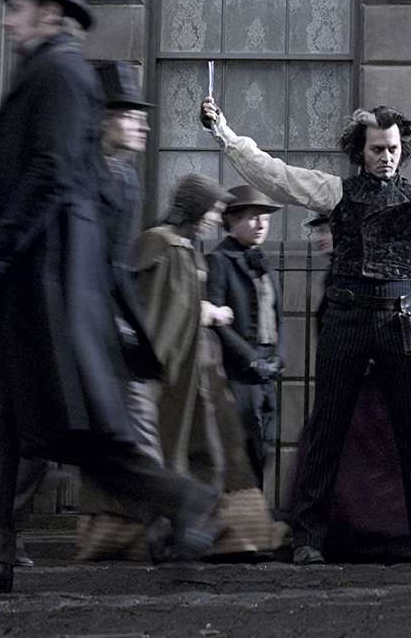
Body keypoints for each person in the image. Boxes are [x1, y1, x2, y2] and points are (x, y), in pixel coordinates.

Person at [0, 0, 219, 594]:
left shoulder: (60, 74)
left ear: (50, 13)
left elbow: (49, 175)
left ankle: (181, 499)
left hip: (40, 282)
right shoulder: (52, 72)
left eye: (17, 8)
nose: (7, 19)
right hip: (28, 281)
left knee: (73, 434)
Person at [200, 97, 411, 568]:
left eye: (393, 148)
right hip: (346, 319)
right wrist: (225, 134)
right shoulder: (334, 191)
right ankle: (308, 538)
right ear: (360, 151)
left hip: (398, 322)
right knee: (328, 428)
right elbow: (276, 175)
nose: (386, 157)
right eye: (377, 149)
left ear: (402, 149)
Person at [138, 176, 274, 558]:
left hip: (198, 369)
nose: (216, 218)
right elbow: (158, 308)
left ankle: (211, 533)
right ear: (194, 208)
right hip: (172, 370)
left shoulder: (185, 247)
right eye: (213, 210)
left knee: (212, 450)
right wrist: (208, 313)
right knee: (172, 451)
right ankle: (170, 534)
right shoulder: (160, 243)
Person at [74, 59, 167, 560]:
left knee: (137, 416)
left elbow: (119, 265)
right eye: (131, 115)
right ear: (104, 119)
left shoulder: (128, 180)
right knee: (50, 437)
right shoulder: (79, 172)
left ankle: (161, 523)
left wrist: (130, 325)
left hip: (111, 320)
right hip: (75, 316)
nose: (142, 125)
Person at [205, 185, 285, 490]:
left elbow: (277, 316)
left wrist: (278, 356)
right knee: (243, 441)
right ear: (232, 221)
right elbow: (217, 321)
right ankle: (239, 508)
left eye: (265, 217)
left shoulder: (262, 261)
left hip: (267, 366)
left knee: (266, 440)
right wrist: (251, 360)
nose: (261, 224)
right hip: (238, 369)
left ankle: (252, 505)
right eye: (253, 217)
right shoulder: (220, 260)